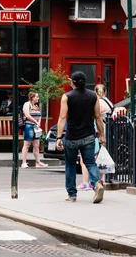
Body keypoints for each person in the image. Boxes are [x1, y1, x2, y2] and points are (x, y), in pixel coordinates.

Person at [56, 71, 106, 203]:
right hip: (88, 135)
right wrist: (102, 135)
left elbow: (62, 118)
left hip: (72, 136)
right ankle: (96, 184)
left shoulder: (67, 97)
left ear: (72, 82)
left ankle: (72, 194)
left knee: (70, 165)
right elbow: (98, 117)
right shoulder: (93, 96)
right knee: (90, 163)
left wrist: (59, 137)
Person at [78, 84, 113, 190]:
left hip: (94, 133)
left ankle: (86, 182)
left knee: (85, 159)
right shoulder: (108, 102)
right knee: (99, 158)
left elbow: (93, 116)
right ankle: (100, 180)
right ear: (105, 92)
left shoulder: (97, 103)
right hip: (104, 133)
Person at [20, 91, 48, 168]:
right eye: (37, 96)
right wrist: (35, 121)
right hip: (29, 125)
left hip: (36, 127)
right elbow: (27, 115)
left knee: (36, 145)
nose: (38, 98)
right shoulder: (27, 104)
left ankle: (38, 162)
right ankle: (24, 162)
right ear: (32, 97)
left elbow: (39, 115)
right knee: (27, 144)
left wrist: (38, 123)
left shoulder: (36, 106)